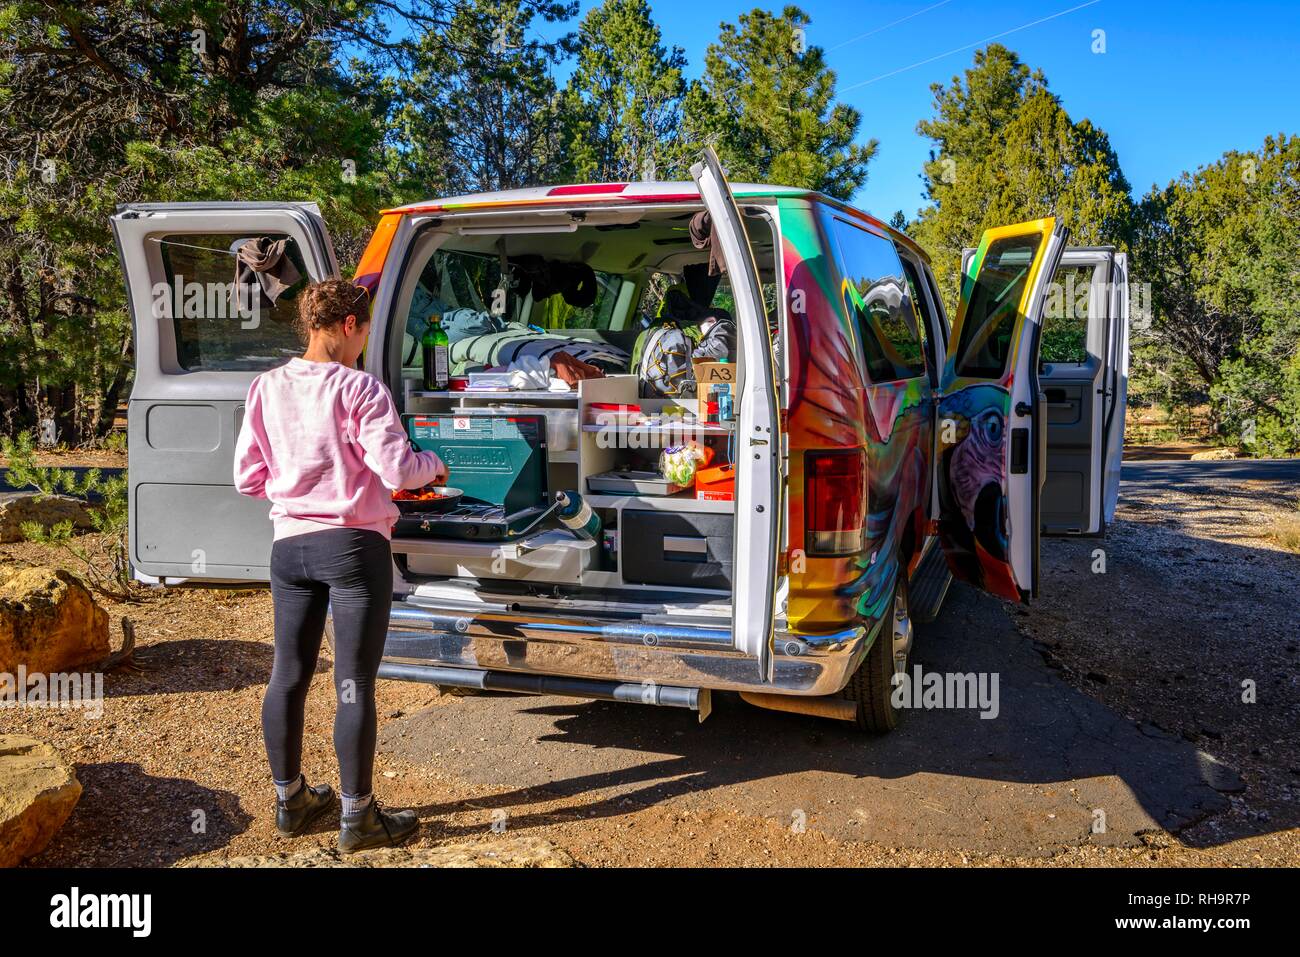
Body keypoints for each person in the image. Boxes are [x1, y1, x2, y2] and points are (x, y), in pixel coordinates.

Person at [234, 279, 446, 853]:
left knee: (289, 674)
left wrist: (297, 487)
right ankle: (358, 818)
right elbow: (399, 470)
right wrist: (435, 465)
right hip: (352, 547)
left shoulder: (266, 386)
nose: (364, 343)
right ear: (350, 325)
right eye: (366, 330)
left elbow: (247, 477)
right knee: (353, 681)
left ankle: (292, 802)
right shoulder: (359, 389)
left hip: (289, 547)